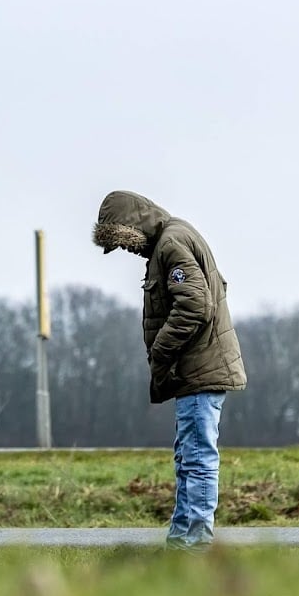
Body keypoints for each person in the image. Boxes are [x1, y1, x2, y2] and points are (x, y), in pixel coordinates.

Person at [92, 190, 246, 552]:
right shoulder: (172, 238)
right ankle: (181, 541)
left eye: (124, 242)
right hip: (193, 372)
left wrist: (162, 349)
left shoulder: (170, 243)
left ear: (132, 226)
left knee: (197, 458)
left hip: (198, 371)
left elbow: (194, 305)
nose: (128, 251)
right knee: (187, 457)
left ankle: (196, 544)